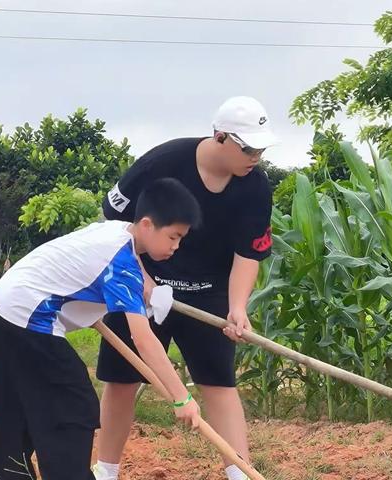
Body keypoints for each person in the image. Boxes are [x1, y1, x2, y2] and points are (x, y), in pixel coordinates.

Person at [95, 96, 276, 480]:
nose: (256, 156)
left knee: (218, 382)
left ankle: (240, 473)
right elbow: (114, 225)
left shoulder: (256, 186)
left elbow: (249, 252)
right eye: (248, 147)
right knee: (123, 377)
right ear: (221, 136)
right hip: (142, 278)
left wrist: (237, 307)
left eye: (261, 147)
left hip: (208, 290)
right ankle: (106, 471)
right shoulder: (162, 163)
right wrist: (142, 283)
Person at [0, 178, 202, 480]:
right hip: (28, 315)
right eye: (173, 237)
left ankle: (10, 473)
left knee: (17, 405)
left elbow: (131, 267)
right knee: (72, 405)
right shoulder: (122, 265)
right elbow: (143, 340)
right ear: (148, 225)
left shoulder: (116, 229)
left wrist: (151, 291)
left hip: (5, 303)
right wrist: (182, 397)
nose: (176, 247)